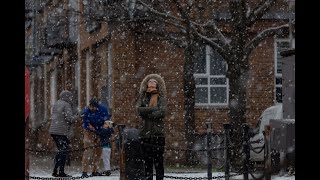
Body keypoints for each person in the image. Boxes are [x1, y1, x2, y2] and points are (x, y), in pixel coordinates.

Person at [136, 74, 167, 180]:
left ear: (157, 86)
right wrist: (153, 109)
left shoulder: (161, 98)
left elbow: (162, 112)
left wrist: (148, 113)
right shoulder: (143, 98)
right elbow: (139, 110)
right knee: (147, 162)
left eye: (154, 83)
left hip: (158, 134)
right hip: (145, 134)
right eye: (150, 83)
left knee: (159, 162)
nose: (152, 85)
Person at [49, 90, 79, 177]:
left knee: (60, 150)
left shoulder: (57, 103)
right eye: (70, 97)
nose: (71, 99)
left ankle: (55, 171)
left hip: (53, 131)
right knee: (64, 151)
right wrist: (78, 116)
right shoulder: (66, 105)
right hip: (61, 131)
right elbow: (69, 118)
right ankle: (61, 172)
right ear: (67, 97)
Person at [81, 97, 111, 178]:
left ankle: (95, 170)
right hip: (89, 131)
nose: (92, 109)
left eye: (94, 107)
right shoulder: (86, 110)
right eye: (91, 107)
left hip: (100, 130)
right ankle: (84, 171)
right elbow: (85, 122)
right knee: (87, 151)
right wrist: (90, 127)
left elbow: (107, 120)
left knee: (98, 152)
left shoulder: (103, 109)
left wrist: (104, 129)